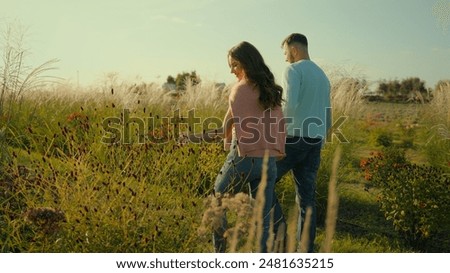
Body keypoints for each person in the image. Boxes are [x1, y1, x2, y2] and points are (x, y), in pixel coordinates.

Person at [187, 41, 286, 252]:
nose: (231, 70)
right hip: (269, 163)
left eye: (234, 65)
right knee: (264, 217)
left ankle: (221, 255)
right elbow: (280, 127)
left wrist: (192, 138)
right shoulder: (270, 90)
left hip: (243, 159)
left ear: (246, 63)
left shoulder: (239, 90)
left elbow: (225, 130)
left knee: (217, 203)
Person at [273, 33, 331, 253]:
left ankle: (278, 239)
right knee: (307, 198)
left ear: (294, 49)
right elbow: (328, 113)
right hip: (314, 141)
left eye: (285, 52)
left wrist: (278, 138)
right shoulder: (322, 75)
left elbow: (289, 106)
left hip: (293, 139)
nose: (285, 57)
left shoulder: (293, 70)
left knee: (261, 182)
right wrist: (321, 139)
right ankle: (305, 251)